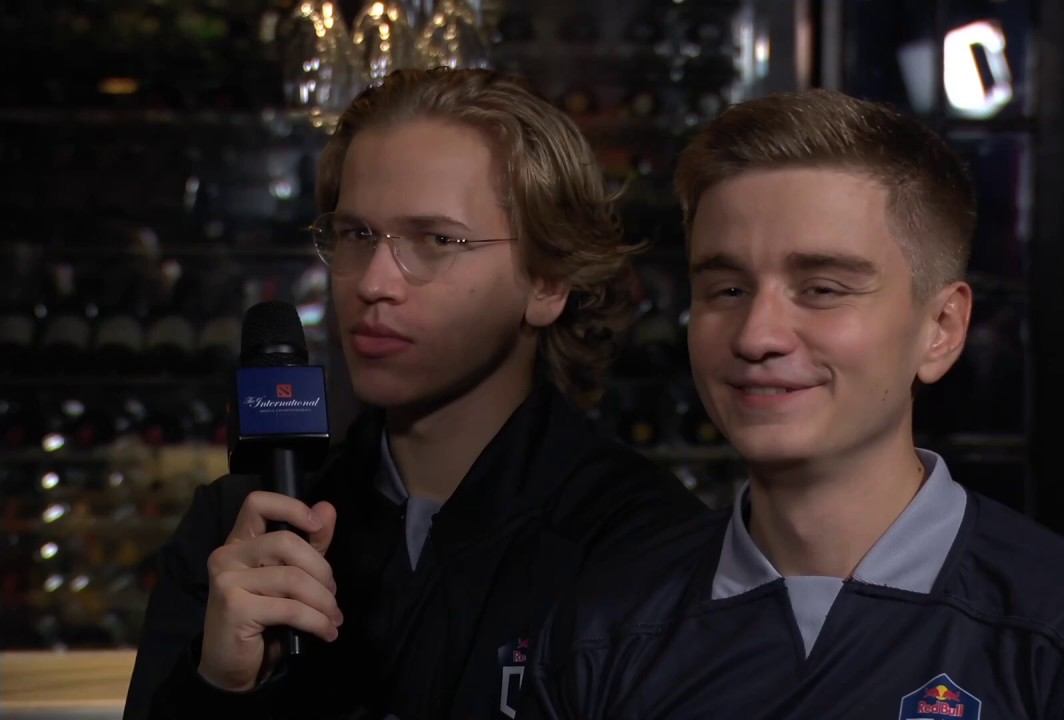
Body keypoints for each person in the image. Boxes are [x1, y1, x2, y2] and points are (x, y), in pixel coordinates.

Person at [525, 89, 1064, 718]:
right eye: (727, 291)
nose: (757, 336)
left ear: (941, 330)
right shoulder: (602, 630)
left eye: (822, 289)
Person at [124, 67, 705, 720]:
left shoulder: (641, 543)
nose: (374, 283)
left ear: (547, 281)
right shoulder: (240, 529)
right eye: (357, 235)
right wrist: (217, 689)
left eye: (435, 241)